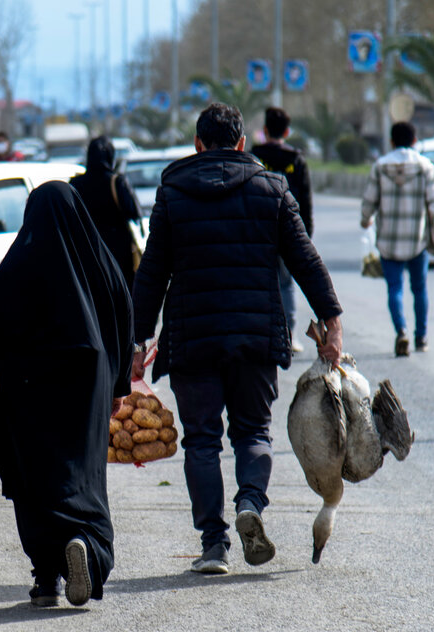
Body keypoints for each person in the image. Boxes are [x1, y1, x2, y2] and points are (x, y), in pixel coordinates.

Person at [132, 103, 343, 573]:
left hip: (193, 337)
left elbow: (152, 271)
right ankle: (250, 503)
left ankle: (213, 545)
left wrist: (137, 340)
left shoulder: (173, 191)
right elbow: (305, 258)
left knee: (202, 441)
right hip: (253, 336)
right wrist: (331, 319)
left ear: (198, 145)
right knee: (252, 431)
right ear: (243, 143)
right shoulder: (272, 188)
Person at [0, 181, 133, 608]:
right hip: (87, 382)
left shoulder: (18, 264)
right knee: (83, 475)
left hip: (26, 391)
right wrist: (117, 386)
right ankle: (84, 544)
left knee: (33, 481)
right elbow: (123, 313)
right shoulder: (100, 261)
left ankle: (45, 579)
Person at [360, 121, 434, 356]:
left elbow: (369, 202)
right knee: (419, 289)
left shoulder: (380, 166)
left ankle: (401, 330)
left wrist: (366, 220)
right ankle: (421, 336)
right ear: (414, 141)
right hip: (417, 241)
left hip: (389, 242)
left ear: (392, 141)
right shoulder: (426, 167)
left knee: (394, 288)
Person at [252, 107, 314, 354]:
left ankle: (263, 334)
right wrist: (305, 235)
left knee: (261, 283)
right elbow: (306, 202)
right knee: (287, 284)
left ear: (265, 131)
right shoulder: (296, 160)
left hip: (258, 231)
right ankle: (289, 335)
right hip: (289, 231)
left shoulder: (254, 157)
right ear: (287, 131)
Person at [69, 136, 143, 291]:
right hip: (118, 254)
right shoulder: (116, 181)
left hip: (87, 253)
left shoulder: (75, 184)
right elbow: (134, 212)